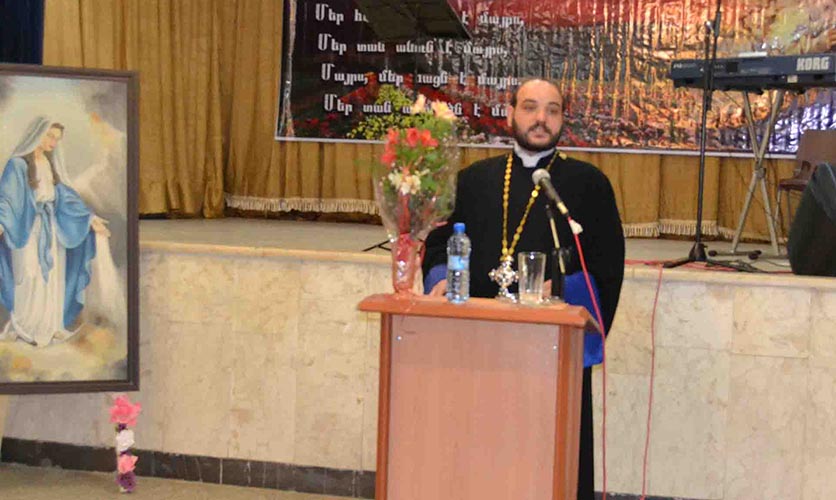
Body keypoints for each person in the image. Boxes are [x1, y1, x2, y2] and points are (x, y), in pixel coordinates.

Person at [422, 78, 625, 500]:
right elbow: (439, 240)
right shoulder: (474, 179)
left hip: (551, 345)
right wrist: (439, 278)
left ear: (563, 119)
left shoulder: (588, 184)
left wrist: (564, 287)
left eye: (552, 110)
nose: (541, 119)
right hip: (478, 339)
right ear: (510, 113)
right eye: (530, 107)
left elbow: (605, 264)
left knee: (551, 456)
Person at [0, 116, 111, 347]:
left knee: (52, 276)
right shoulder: (17, 164)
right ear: (36, 133)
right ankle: (26, 326)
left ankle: (50, 326)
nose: (53, 142)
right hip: (28, 230)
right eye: (50, 136)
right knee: (29, 274)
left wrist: (89, 218)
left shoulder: (48, 164)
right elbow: (7, 200)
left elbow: (64, 197)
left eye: (57, 139)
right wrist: (2, 222)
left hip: (50, 228)